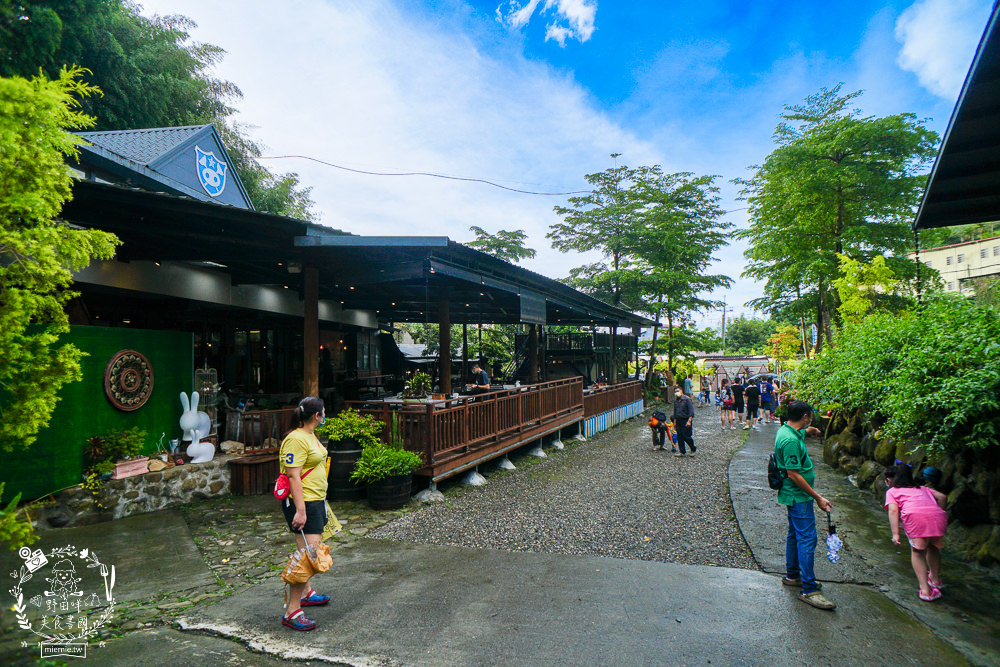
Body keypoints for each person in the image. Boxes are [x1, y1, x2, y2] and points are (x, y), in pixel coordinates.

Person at [775, 400, 835, 610]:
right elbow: (793, 474)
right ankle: (809, 589)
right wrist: (818, 497)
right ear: (807, 415)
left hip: (795, 497)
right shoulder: (790, 440)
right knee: (807, 539)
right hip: (798, 496)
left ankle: (793, 576)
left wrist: (808, 431)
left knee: (795, 534)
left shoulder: (787, 429)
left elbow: (797, 434)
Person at [278, 396, 331, 631]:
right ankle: (292, 610)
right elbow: (293, 475)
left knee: (306, 552)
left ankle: (306, 593)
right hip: (304, 504)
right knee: (308, 556)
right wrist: (300, 510)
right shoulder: (296, 439)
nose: (324, 416)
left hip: (315, 500)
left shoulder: (310, 435)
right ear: (316, 416)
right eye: (323, 412)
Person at [884, 462, 949, 601]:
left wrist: (895, 534)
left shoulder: (892, 491)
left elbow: (893, 510)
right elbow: (942, 497)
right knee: (933, 547)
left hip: (916, 518)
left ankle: (925, 590)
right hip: (937, 516)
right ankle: (936, 580)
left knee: (918, 552)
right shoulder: (923, 488)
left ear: (890, 480)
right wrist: (939, 511)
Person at [671, 386, 696, 457]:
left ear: (681, 391)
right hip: (678, 420)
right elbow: (675, 412)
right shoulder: (676, 401)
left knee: (687, 436)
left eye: (678, 391)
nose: (676, 393)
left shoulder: (687, 399)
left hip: (686, 419)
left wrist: (689, 421)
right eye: (675, 391)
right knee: (679, 436)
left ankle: (693, 448)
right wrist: (674, 422)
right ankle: (682, 451)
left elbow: (691, 411)